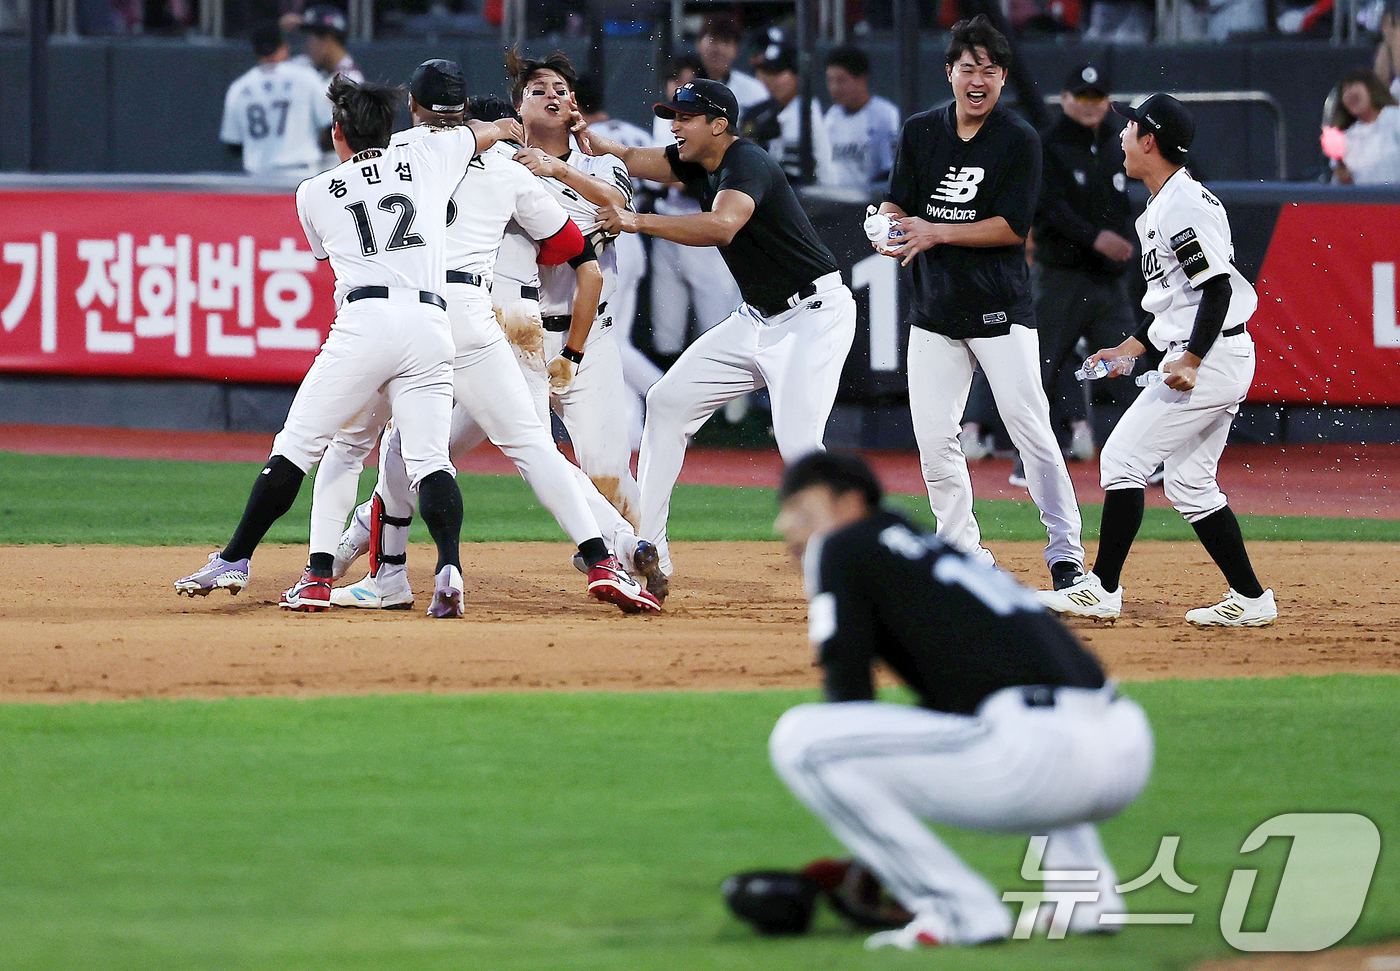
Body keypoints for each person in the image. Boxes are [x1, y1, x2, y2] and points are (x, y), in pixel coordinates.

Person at [310, 61, 661, 616]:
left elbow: (351, 198)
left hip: (411, 311)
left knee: (390, 448)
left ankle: (354, 571)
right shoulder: (508, 164)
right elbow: (575, 249)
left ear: (414, 107)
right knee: (528, 447)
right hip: (492, 315)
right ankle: (610, 554)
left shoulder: (398, 151)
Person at [768, 451, 1153, 949]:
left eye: (800, 507)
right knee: (990, 714)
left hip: (1043, 759)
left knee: (803, 741)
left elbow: (848, 691)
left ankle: (955, 912)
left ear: (849, 502)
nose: (785, 524)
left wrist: (872, 835)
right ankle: (1086, 899)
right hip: (1124, 745)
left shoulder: (840, 546)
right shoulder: (927, 550)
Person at [177, 77, 511, 616]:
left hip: (365, 320)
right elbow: (481, 132)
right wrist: (505, 126)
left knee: (300, 446)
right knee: (429, 460)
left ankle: (247, 559)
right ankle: (448, 566)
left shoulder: (313, 190)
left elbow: (325, 249)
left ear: (338, 134)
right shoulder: (429, 154)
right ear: (391, 127)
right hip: (430, 320)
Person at [580, 78, 857, 601]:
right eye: (672, 116)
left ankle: (848, 565)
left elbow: (724, 225)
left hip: (813, 315)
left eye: (684, 117)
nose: (674, 125)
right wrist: (578, 135)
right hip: (758, 318)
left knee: (799, 446)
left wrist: (635, 220)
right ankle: (651, 546)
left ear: (719, 125)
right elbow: (629, 154)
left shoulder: (747, 162)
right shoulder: (696, 159)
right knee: (666, 402)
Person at [1040, 94, 1278, 627]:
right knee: (1190, 485)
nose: (1120, 134)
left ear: (1149, 141)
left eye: (1129, 127)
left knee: (1122, 459)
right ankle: (1252, 598)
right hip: (1216, 351)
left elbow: (1216, 289)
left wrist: (1191, 358)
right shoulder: (1167, 203)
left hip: (1210, 356)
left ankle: (1099, 589)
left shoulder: (1182, 206)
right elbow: (1180, 298)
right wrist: (1130, 350)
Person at [876, 15, 1087, 591]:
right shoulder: (921, 131)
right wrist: (885, 225)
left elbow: (1012, 227)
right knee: (935, 437)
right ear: (948, 73)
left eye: (990, 71)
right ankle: (962, 548)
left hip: (999, 308)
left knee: (1031, 428)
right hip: (935, 310)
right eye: (968, 68)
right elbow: (898, 205)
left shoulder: (1018, 139)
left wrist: (933, 231)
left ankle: (1066, 550)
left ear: (1003, 79)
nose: (978, 80)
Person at [507, 50, 643, 530]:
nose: (549, 95)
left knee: (607, 471)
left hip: (589, 338)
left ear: (574, 105)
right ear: (517, 108)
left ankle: (645, 560)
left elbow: (618, 205)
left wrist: (557, 169)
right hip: (512, 337)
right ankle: (363, 548)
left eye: (559, 89)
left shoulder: (599, 161)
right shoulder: (500, 164)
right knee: (429, 452)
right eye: (536, 89)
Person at [1027, 63, 1138, 462]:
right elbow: (1048, 206)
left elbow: (1122, 204)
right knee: (1044, 368)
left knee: (1128, 364)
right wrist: (1095, 238)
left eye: (1098, 97)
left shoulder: (1117, 142)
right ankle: (1032, 459)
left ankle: (1147, 455)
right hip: (1060, 276)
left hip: (1108, 281)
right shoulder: (1047, 143)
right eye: (1082, 96)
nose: (1091, 105)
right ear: (1065, 99)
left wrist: (1120, 241)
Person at [573, 73, 664, 449]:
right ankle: (632, 430)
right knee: (615, 338)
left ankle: (669, 395)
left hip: (609, 240)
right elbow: (663, 185)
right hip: (633, 241)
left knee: (610, 341)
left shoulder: (583, 144)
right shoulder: (632, 134)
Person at [649, 56, 744, 360]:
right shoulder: (665, 122)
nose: (677, 89)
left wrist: (679, 179)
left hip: (704, 228)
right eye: (674, 81)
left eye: (685, 83)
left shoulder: (721, 135)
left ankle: (734, 408)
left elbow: (692, 179)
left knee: (717, 323)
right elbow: (659, 174)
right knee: (666, 329)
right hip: (668, 222)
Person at [219, 22, 331, 176]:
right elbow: (329, 126)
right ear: (284, 47)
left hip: (258, 177)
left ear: (256, 51)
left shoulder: (239, 87)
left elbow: (233, 145)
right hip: (301, 171)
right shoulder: (305, 76)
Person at [743, 42, 835, 187]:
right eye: (767, 72)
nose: (770, 79)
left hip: (817, 197)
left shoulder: (807, 113)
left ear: (796, 75)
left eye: (777, 73)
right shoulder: (768, 111)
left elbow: (793, 173)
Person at [823, 45, 901, 192]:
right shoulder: (831, 117)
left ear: (861, 79)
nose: (834, 88)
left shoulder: (885, 116)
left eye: (841, 81)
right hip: (834, 201)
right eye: (830, 80)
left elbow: (890, 172)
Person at [1327, 70, 1400, 186]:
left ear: (1372, 89)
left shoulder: (1395, 117)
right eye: (1344, 91)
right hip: (1365, 203)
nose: (1349, 93)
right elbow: (1338, 188)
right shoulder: (1346, 138)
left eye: (1353, 85)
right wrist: (1343, 179)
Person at [695, 14, 769, 112]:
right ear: (699, 44)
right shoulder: (681, 83)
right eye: (714, 40)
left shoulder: (754, 91)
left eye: (726, 42)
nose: (719, 49)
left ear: (736, 50)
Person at [287, 4, 363, 84]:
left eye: (310, 39)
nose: (307, 45)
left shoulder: (351, 79)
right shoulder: (305, 62)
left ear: (328, 40)